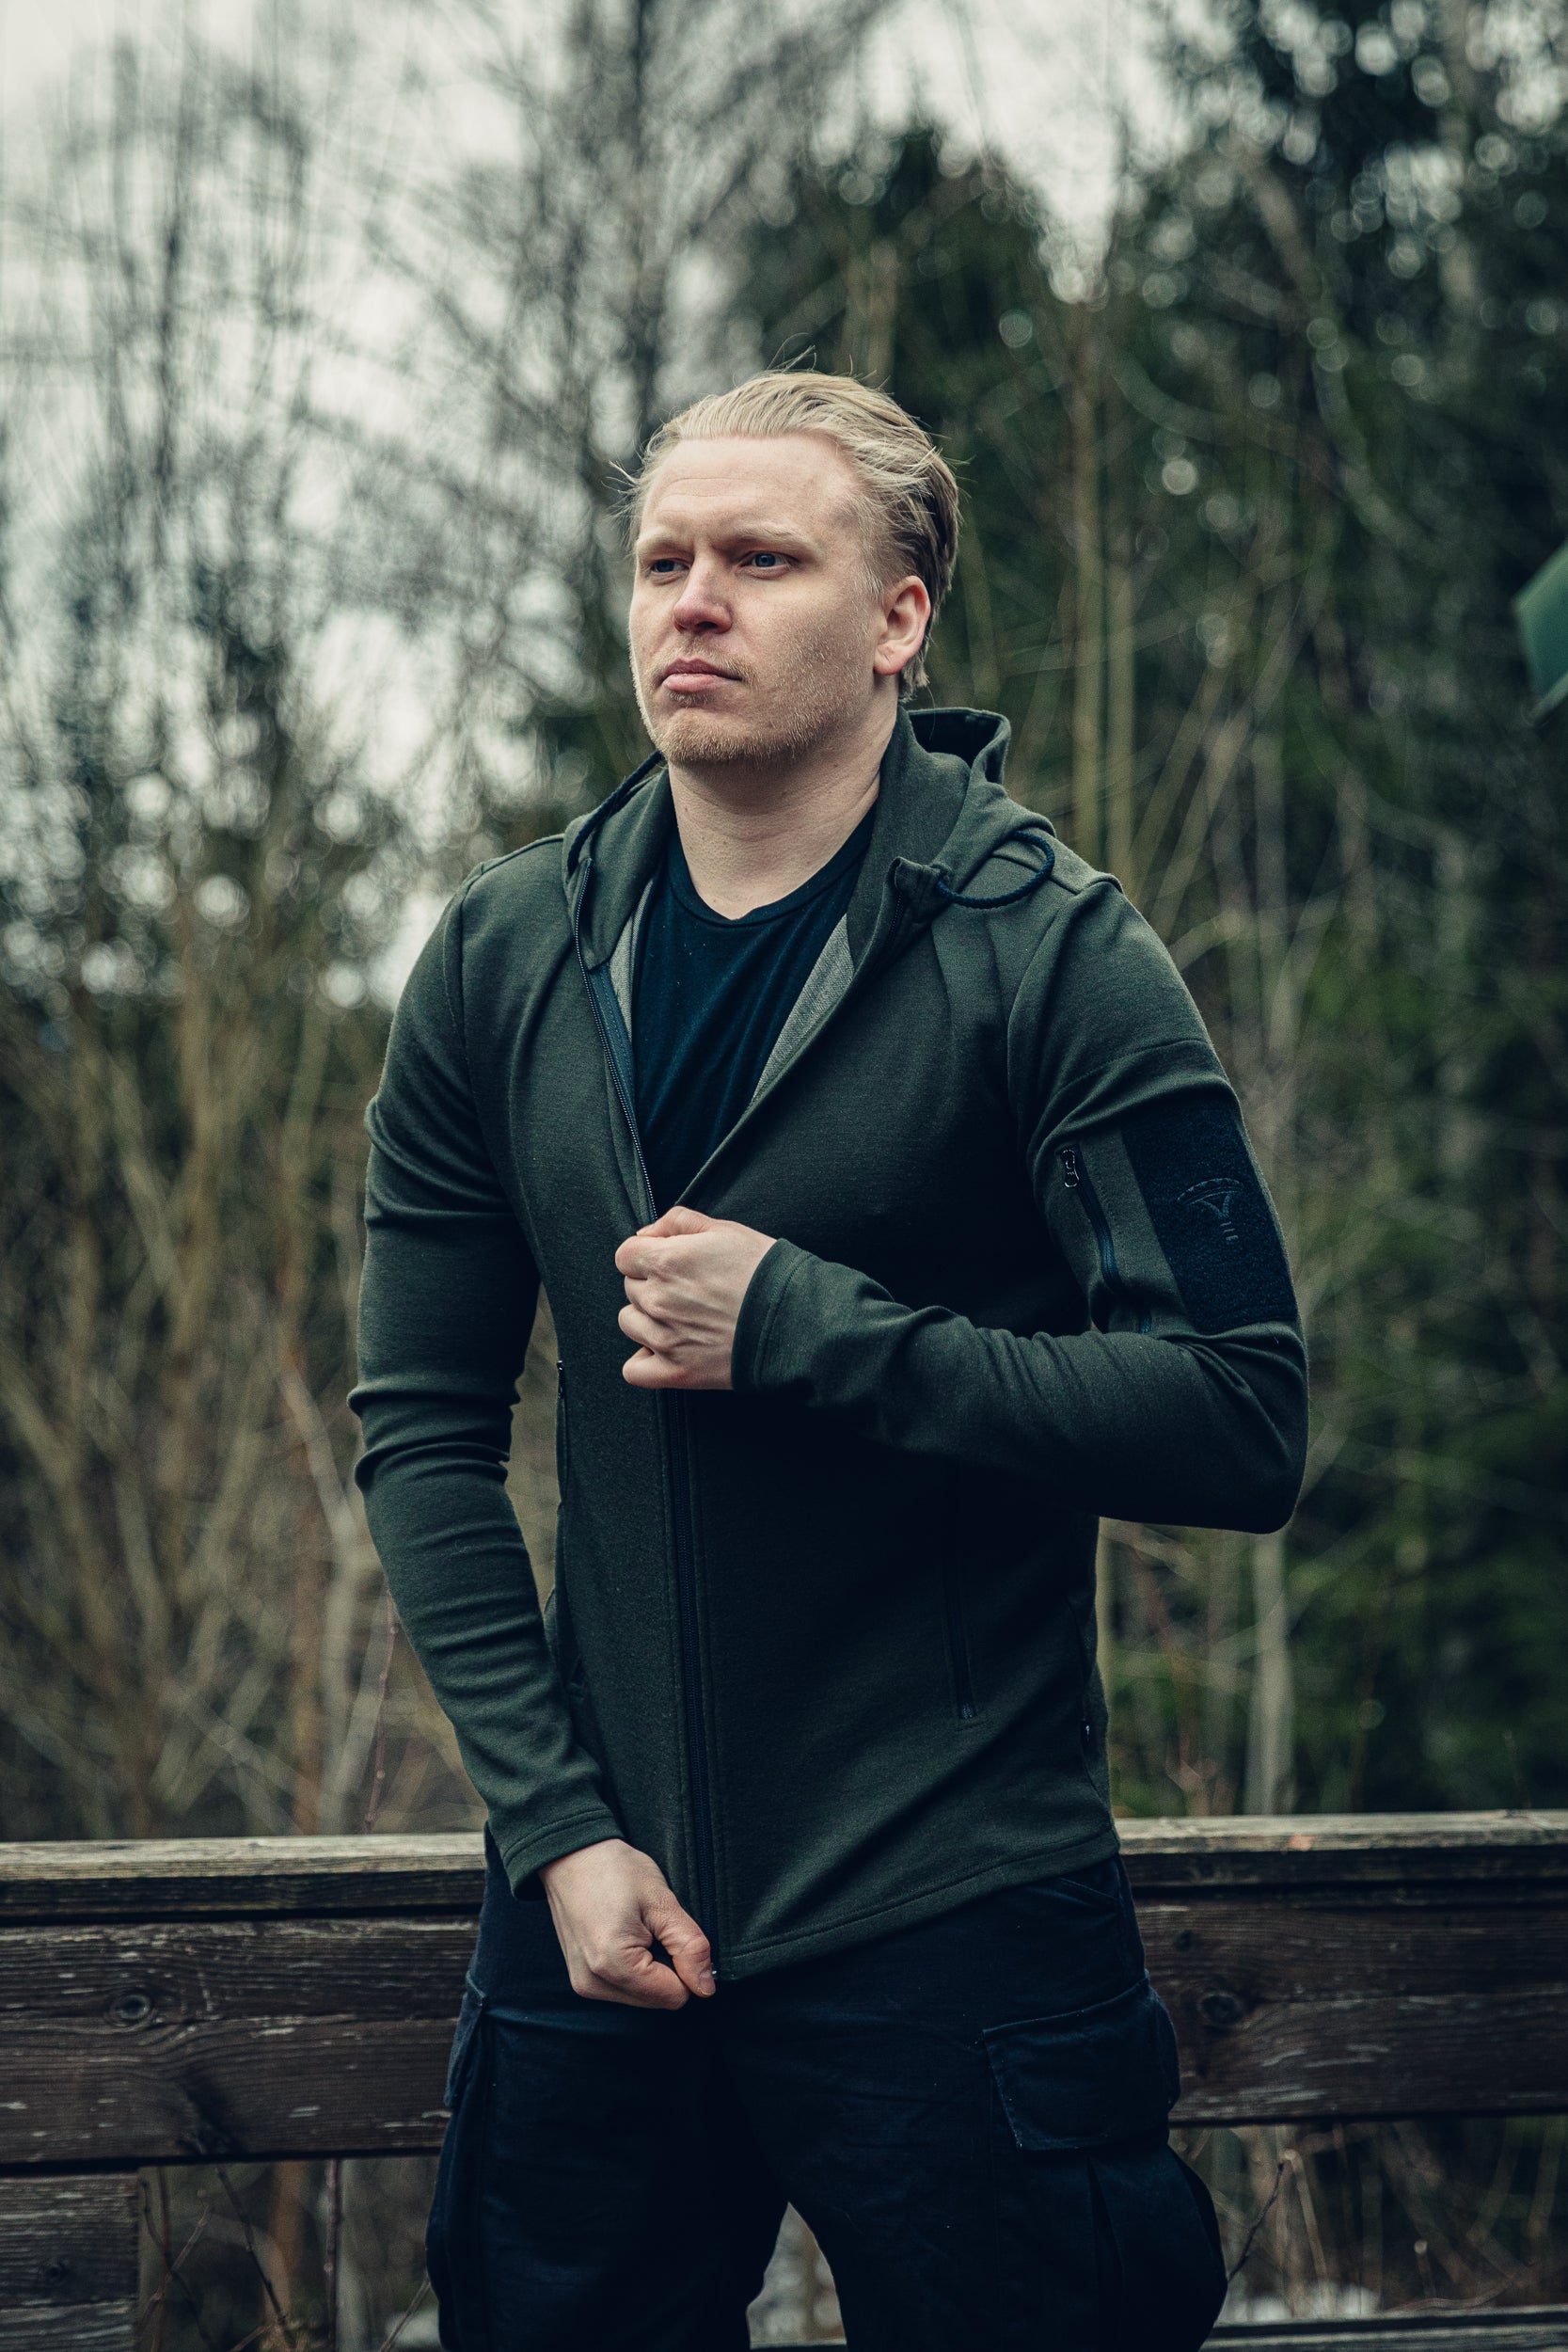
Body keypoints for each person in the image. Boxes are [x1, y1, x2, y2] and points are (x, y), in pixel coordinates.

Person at [351, 371, 1308, 2352]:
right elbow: (425, 1433)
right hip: (600, 1921)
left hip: (957, 1919)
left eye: (761, 559)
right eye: (662, 560)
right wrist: (556, 1828)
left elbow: (1236, 1407)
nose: (692, 599)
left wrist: (807, 1328)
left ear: (898, 617)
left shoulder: (1055, 955)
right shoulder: (503, 957)